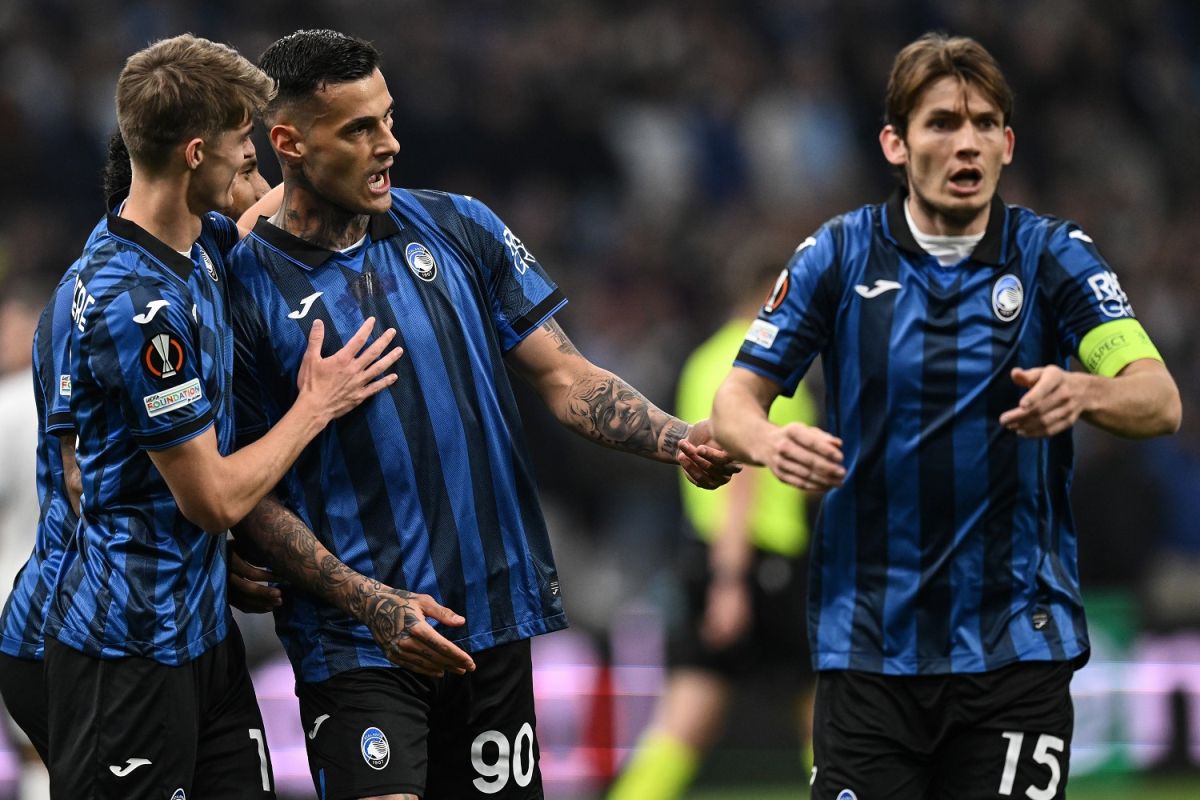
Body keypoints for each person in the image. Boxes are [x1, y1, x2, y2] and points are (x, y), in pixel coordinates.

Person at [227, 28, 737, 800]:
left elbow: (565, 375)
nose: (388, 144)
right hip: (355, 640)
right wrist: (369, 600)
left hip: (488, 619)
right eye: (359, 129)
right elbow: (245, 488)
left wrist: (680, 439)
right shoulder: (240, 288)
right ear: (289, 143)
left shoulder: (461, 226)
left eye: (388, 119)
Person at [712, 32, 1182, 800]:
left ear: (1008, 144)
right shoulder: (838, 255)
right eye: (941, 123)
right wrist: (769, 441)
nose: (967, 143)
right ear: (895, 144)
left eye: (985, 124)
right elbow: (734, 400)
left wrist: (1084, 392)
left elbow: (1159, 398)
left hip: (1015, 651)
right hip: (869, 651)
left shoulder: (1053, 256)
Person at [41, 33, 405, 800]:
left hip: (202, 638)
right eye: (243, 141)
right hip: (129, 651)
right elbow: (211, 498)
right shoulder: (137, 309)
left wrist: (352, 162)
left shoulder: (193, 241)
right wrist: (315, 405)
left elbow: (271, 207)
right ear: (195, 154)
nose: (252, 157)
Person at [608, 248, 817, 800]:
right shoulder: (759, 366)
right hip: (759, 559)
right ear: (772, 295)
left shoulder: (704, 359)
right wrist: (732, 581)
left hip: (709, 552)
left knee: (686, 718)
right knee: (825, 711)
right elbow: (740, 473)